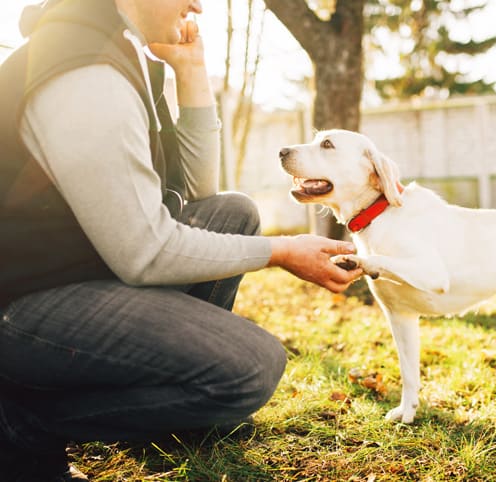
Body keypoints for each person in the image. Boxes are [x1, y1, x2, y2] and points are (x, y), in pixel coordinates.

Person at [0, 0, 363, 479]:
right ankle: (23, 424)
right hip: (20, 303)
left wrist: (192, 74)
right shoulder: (85, 69)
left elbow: (197, 195)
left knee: (234, 212)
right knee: (252, 366)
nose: (197, 5)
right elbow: (144, 253)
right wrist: (280, 252)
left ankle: (169, 412)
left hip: (78, 268)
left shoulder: (123, 49)